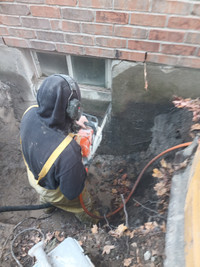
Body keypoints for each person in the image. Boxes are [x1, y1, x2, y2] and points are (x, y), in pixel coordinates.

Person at [20, 74, 98, 224]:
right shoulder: (67, 152)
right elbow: (71, 192)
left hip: (34, 176)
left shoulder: (29, 112)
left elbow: (50, 121)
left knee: (45, 194)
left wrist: (73, 120)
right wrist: (80, 167)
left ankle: (47, 208)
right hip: (54, 191)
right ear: (72, 109)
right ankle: (91, 223)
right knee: (84, 203)